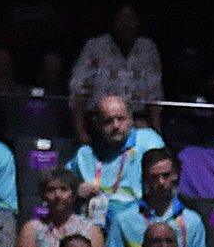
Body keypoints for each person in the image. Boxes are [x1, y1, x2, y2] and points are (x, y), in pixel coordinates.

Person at [65, 94, 165, 223]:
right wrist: (76, 188)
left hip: (140, 219)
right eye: (108, 121)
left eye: (120, 119)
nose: (116, 125)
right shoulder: (86, 154)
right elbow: (62, 180)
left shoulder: (148, 140)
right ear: (97, 124)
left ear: (130, 119)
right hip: (97, 221)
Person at [110, 148, 208, 247]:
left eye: (166, 175)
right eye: (154, 177)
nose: (161, 182)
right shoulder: (123, 219)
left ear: (175, 175)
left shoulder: (192, 221)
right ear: (145, 178)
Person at [69, 4, 163, 137]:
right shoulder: (94, 47)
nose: (126, 24)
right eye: (121, 19)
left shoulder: (148, 48)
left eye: (131, 18)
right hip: (100, 121)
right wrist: (81, 132)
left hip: (137, 122)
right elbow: (78, 92)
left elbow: (154, 95)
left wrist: (157, 134)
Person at [16, 169, 106, 247]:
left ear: (73, 195)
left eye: (64, 189)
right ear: (44, 195)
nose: (57, 195)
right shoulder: (32, 228)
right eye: (51, 190)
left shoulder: (91, 230)